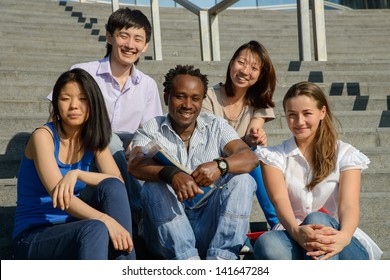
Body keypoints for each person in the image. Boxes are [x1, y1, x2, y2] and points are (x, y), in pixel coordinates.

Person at [127, 65, 259, 260]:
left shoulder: (216, 125)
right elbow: (135, 163)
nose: (188, 104)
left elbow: (250, 157)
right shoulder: (151, 128)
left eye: (195, 98)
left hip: (208, 223)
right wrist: (170, 174)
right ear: (166, 98)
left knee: (243, 180)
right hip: (165, 234)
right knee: (153, 188)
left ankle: (222, 262)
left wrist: (220, 165)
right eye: (180, 96)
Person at [47, 7, 163, 219]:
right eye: (123, 36)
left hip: (126, 161)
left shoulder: (147, 85)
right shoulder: (83, 72)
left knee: (137, 148)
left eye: (138, 39)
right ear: (109, 36)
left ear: (145, 46)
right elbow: (54, 120)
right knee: (109, 139)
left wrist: (137, 147)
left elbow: (151, 133)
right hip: (84, 154)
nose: (130, 45)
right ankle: (139, 213)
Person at [13, 68, 136, 260]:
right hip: (34, 235)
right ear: (56, 104)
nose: (74, 106)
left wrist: (78, 174)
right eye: (65, 99)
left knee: (112, 188)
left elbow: (117, 182)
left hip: (76, 229)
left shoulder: (92, 138)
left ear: (93, 103)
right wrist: (105, 219)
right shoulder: (43, 137)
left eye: (83, 99)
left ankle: (125, 264)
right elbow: (61, 197)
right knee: (95, 227)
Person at [253, 81, 383, 260]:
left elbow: (349, 206)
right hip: (293, 234)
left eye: (307, 113)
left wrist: (343, 237)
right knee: (266, 243)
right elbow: (279, 200)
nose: (299, 122)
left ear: (322, 112)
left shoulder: (346, 154)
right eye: (292, 115)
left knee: (317, 220)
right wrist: (297, 232)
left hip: (340, 240)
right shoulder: (273, 156)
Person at [202, 40, 278, 228]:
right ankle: (277, 221)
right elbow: (210, 140)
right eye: (241, 62)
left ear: (260, 75)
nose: (245, 71)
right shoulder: (208, 96)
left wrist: (255, 137)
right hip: (210, 161)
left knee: (256, 153)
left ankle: (278, 223)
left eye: (254, 67)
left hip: (241, 163)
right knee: (250, 155)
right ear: (231, 63)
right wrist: (246, 143)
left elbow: (254, 131)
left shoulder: (260, 102)